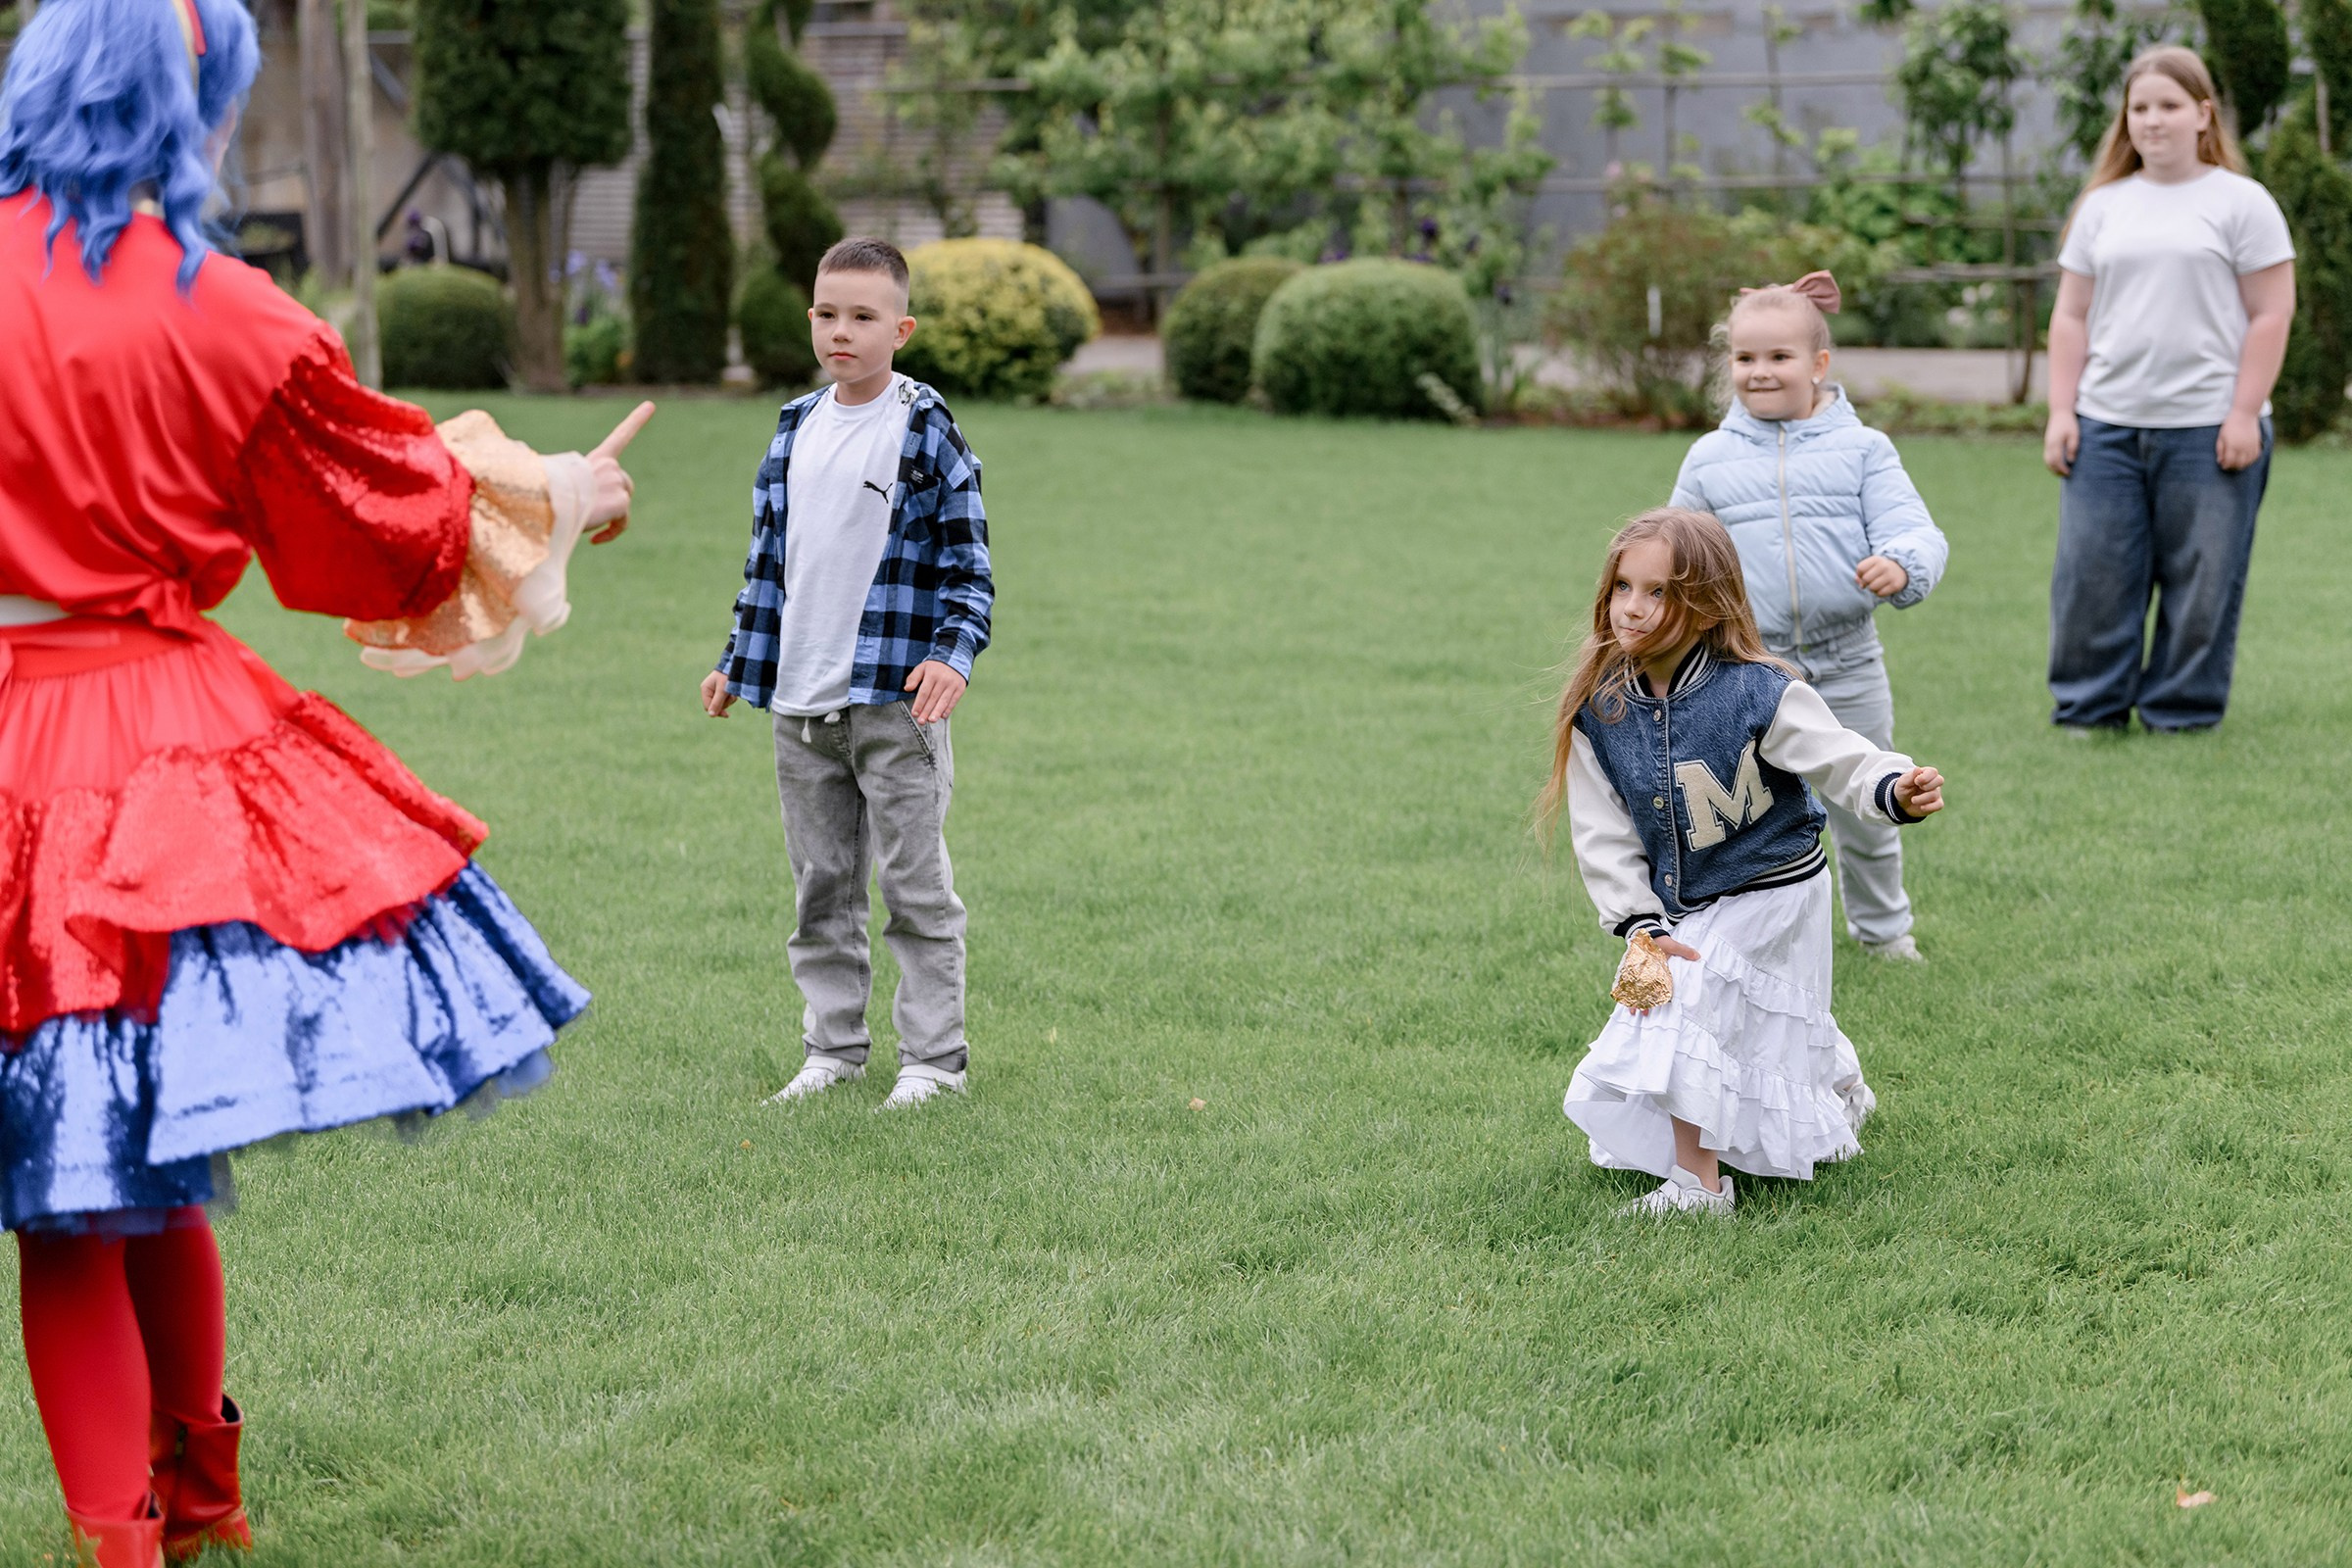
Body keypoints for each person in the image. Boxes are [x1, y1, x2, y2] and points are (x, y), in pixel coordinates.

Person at [0, 3, 653, 1562]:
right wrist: (563, 495)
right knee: (146, 1156)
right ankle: (199, 1502)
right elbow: (385, 518)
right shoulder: (223, 312)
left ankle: (131, 1533)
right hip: (160, 748)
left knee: (67, 1183)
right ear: (194, 105)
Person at [1539, 509, 1945, 1217]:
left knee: (1686, 1001)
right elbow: (1602, 835)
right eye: (1622, 587)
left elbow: (1841, 758)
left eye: (1660, 592)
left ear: (1707, 604)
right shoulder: (1600, 713)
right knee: (1745, 1007)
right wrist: (1638, 924)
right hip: (1684, 902)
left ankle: (1699, 1187)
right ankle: (1840, 1087)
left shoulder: (1758, 691)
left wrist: (1895, 789)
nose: (1634, 607)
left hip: (1778, 886)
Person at [701, 237, 992, 1111]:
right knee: (821, 889)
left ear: (899, 329)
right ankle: (832, 1049)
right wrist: (736, 664)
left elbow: (968, 564)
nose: (842, 331)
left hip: (895, 703)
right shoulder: (794, 425)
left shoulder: (923, 424)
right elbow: (769, 563)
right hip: (802, 704)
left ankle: (934, 1062)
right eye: (828, 314)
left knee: (914, 888)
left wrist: (951, 655)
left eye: (863, 317)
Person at [1668, 271, 1948, 961]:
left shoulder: (1863, 450)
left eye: (1778, 357)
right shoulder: (1709, 459)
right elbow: (1676, 553)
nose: (1759, 372)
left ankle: (1885, 934)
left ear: (1820, 364)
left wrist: (1902, 564)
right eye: (1744, 359)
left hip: (1847, 659)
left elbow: (1916, 529)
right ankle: (1745, 941)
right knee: (1745, 812)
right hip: (1748, 669)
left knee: (1871, 799)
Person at [2042, 45, 2297, 734]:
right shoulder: (2103, 206)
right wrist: (2062, 410)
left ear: (2203, 114)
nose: (2153, 120)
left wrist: (2244, 412)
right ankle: (2088, 710)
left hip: (2210, 428)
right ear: (2126, 119)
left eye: (2169, 105)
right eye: (2140, 107)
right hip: (2105, 425)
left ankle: (2180, 713)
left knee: (2204, 583)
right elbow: (2070, 315)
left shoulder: (2242, 202)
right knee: (2092, 579)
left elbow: (2272, 312)